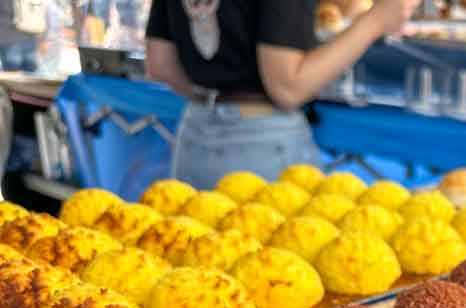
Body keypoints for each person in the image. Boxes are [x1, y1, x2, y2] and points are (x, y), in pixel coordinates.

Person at [145, 0, 420, 188]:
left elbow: (160, 64)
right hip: (260, 144)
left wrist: (217, 97)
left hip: (195, 134)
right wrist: (375, 22)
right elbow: (287, 87)